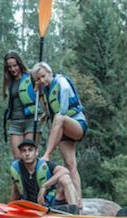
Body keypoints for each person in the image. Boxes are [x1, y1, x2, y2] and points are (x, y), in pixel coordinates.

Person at [30, 62, 87, 209]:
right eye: (38, 78)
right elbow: (48, 109)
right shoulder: (46, 89)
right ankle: (78, 201)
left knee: (59, 118)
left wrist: (50, 148)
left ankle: (47, 154)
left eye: (43, 76)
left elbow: (61, 110)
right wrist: (39, 93)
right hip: (62, 129)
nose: (42, 80)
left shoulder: (61, 81)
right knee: (70, 165)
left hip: (76, 123)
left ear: (50, 73)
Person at [10, 139, 78, 211]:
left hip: (50, 203)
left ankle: (74, 213)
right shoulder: (17, 168)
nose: (27, 154)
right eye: (24, 151)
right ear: (20, 154)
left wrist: (44, 186)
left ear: (36, 152)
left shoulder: (46, 165)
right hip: (30, 206)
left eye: (30, 150)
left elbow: (65, 171)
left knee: (65, 178)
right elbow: (15, 191)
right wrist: (9, 208)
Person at [3, 51, 41, 159]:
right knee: (18, 157)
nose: (12, 69)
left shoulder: (31, 76)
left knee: (30, 157)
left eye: (15, 65)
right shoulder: (10, 81)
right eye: (9, 67)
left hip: (31, 120)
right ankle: (19, 176)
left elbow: (42, 93)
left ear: (19, 64)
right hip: (15, 122)